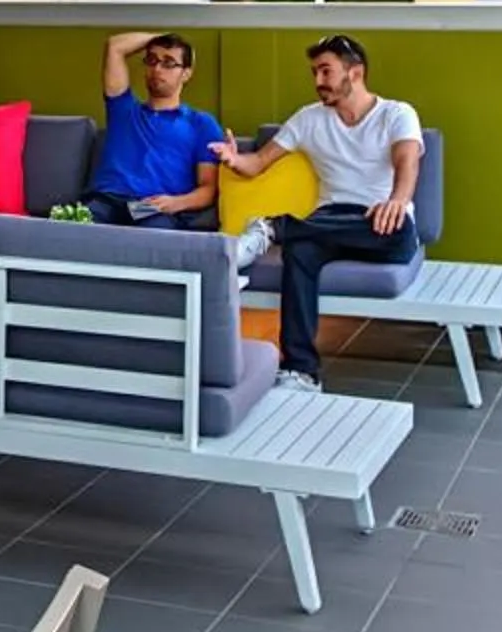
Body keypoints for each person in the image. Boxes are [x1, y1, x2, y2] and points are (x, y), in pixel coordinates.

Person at [215, 35, 424, 394]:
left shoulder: (396, 114)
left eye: (326, 71)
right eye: (314, 72)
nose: (318, 81)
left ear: (355, 72)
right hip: (326, 221)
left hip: (377, 221)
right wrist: (234, 160)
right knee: (301, 250)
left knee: (398, 227)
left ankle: (272, 228)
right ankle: (302, 371)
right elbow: (258, 162)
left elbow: (407, 161)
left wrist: (397, 200)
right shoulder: (309, 119)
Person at [84, 31, 224, 229]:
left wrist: (176, 203)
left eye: (168, 63)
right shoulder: (123, 109)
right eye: (152, 60)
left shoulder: (201, 123)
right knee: (67, 229)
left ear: (186, 73)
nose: (157, 69)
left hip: (150, 206)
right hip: (106, 200)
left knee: (153, 236)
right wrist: (164, 36)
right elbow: (115, 46)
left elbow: (208, 189)